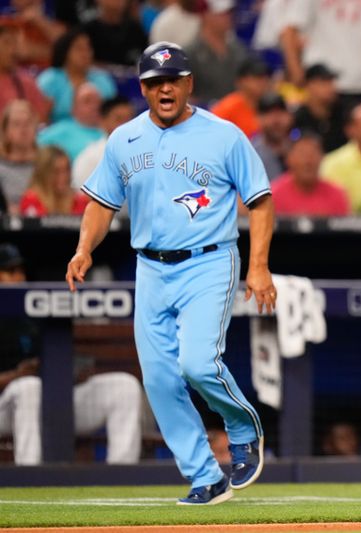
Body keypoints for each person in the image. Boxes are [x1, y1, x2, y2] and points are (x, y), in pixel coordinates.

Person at [65, 42, 275, 505]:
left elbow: (260, 201)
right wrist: (83, 249)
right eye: (155, 82)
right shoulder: (123, 138)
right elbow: (102, 203)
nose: (164, 89)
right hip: (150, 267)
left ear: (188, 84)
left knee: (197, 364)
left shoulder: (223, 135)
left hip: (209, 259)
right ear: (142, 88)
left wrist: (258, 268)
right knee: (159, 379)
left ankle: (240, 426)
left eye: (172, 80)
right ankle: (205, 476)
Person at [0, 243, 143, 465]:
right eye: (10, 272)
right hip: (8, 406)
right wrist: (17, 376)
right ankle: (30, 475)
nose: (18, 277)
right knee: (29, 388)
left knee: (125, 387)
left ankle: (121, 477)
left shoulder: (34, 313)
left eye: (20, 271)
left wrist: (70, 370)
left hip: (56, 397)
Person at [36, 27, 117, 123]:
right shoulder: (50, 79)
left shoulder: (102, 79)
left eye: (88, 48)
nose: (85, 53)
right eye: (79, 49)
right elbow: (40, 118)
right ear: (65, 52)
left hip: (98, 133)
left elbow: (113, 115)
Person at [270, 133, 350, 217]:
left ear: (322, 158)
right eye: (302, 154)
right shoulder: (273, 195)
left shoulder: (337, 195)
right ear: (289, 159)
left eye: (313, 154)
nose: (308, 161)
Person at [72, 95, 135, 189]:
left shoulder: (146, 151)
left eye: (130, 119)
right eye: (119, 119)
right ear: (103, 121)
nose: (126, 125)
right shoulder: (90, 158)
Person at [36, 82, 105, 162]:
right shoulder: (60, 130)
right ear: (74, 107)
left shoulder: (111, 131)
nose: (94, 106)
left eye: (98, 101)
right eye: (87, 101)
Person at [0, 23, 51, 123]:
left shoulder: (26, 81)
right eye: (7, 43)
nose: (13, 49)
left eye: (15, 43)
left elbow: (41, 121)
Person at [19, 145, 89, 216]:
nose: (63, 176)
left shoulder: (80, 201)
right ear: (44, 173)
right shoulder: (31, 200)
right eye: (56, 172)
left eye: (66, 170)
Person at [210, 60, 272, 138]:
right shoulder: (227, 108)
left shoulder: (271, 106)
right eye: (257, 77)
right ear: (241, 81)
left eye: (266, 77)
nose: (263, 81)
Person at [0, 99, 38, 214]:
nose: (23, 129)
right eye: (16, 124)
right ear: (5, 131)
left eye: (28, 123)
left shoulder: (48, 163)